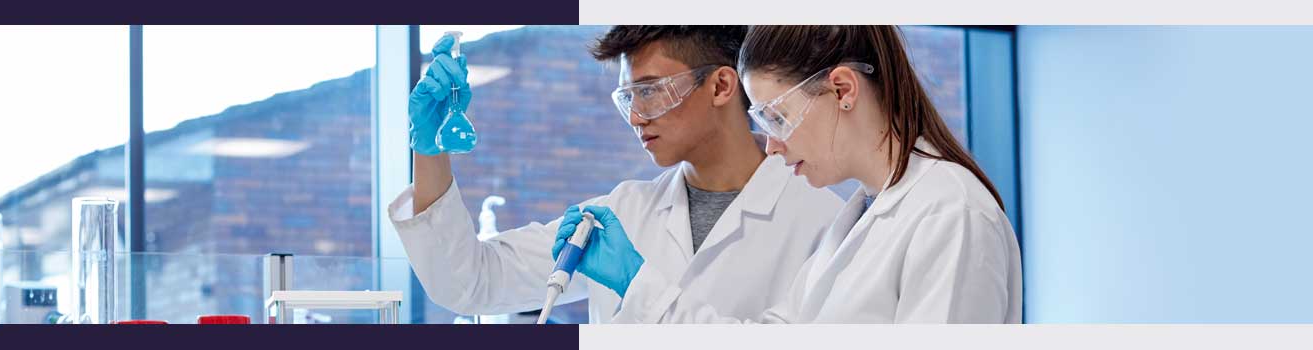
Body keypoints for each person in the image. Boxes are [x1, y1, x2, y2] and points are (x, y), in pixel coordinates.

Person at [387, 26, 843, 323]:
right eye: (628, 98)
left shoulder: (823, 222)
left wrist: (637, 282)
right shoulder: (619, 214)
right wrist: (431, 151)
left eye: (650, 92)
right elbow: (472, 283)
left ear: (722, 86)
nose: (636, 117)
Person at [612, 25, 1022, 324]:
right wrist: (642, 286)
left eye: (777, 118)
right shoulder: (855, 220)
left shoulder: (951, 214)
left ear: (842, 90)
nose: (770, 146)